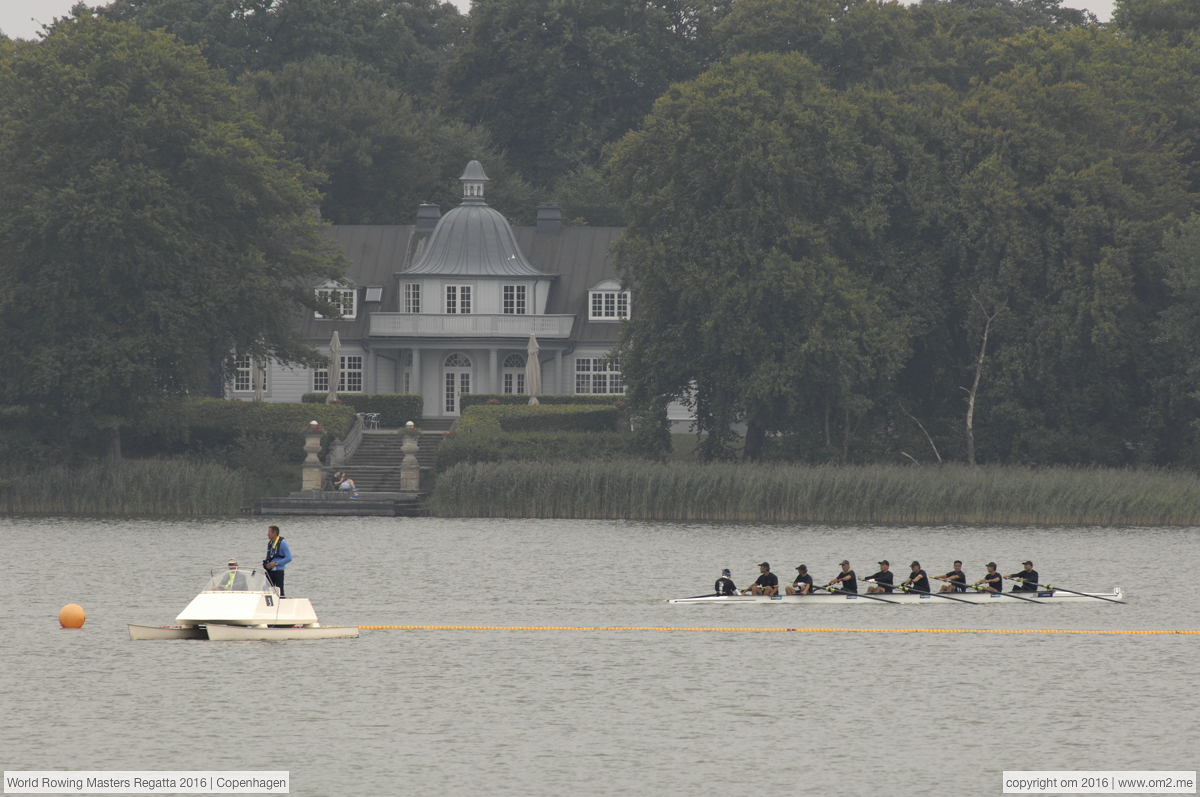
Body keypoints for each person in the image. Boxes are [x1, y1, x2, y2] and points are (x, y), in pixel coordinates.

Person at [263, 525, 292, 598]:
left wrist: (276, 563)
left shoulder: (283, 543)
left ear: (274, 533)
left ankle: (282, 603)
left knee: (280, 591)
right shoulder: (270, 543)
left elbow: (289, 558)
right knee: (267, 590)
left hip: (278, 572)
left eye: (269, 532)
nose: (267, 534)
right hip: (270, 571)